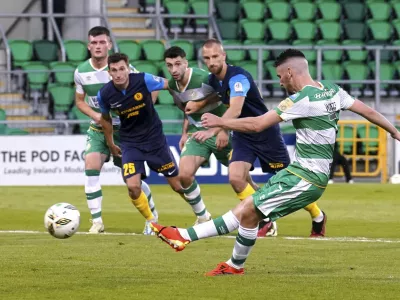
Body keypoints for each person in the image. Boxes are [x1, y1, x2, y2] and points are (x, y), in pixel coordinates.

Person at [150, 49, 400, 276]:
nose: (280, 81)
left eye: (281, 76)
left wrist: (220, 122)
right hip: (299, 172)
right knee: (250, 212)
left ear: (290, 72)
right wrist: (395, 132)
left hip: (306, 178)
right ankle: (235, 266)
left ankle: (183, 236)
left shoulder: (300, 99)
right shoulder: (333, 90)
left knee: (248, 208)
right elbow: (369, 111)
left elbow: (258, 124)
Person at [192, 39, 324, 237]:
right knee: (237, 178)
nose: (211, 61)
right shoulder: (213, 81)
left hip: (265, 132)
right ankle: (265, 221)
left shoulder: (239, 77)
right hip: (243, 135)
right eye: (207, 58)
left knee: (290, 184)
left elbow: (235, 109)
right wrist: (199, 105)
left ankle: (318, 215)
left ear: (224, 56)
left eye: (215, 56)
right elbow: (222, 98)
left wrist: (215, 129)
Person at [165, 46, 276, 235]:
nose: (174, 69)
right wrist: (185, 132)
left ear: (186, 62)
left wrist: (223, 129)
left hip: (222, 131)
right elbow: (187, 110)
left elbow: (225, 99)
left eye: (177, 64)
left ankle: (265, 219)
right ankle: (203, 217)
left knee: (240, 179)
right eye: (169, 66)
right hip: (197, 134)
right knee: (184, 175)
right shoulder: (171, 85)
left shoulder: (205, 77)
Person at [74, 26, 158, 234]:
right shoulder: (81, 72)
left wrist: (140, 112)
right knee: (91, 167)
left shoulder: (123, 69)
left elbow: (152, 90)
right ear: (88, 46)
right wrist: (95, 116)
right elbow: (80, 101)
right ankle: (97, 222)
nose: (98, 46)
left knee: (132, 181)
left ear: (109, 44)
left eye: (102, 42)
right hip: (98, 130)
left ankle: (152, 218)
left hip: (125, 133)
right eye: (94, 42)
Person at [98, 53, 187, 232]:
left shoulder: (143, 79)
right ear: (109, 72)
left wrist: (181, 102)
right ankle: (151, 221)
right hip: (130, 142)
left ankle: (202, 214)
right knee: (132, 186)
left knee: (178, 186)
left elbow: (168, 84)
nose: (118, 74)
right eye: (114, 70)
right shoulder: (105, 94)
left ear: (128, 69)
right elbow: (105, 119)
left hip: (154, 139)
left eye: (122, 69)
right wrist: (110, 144)